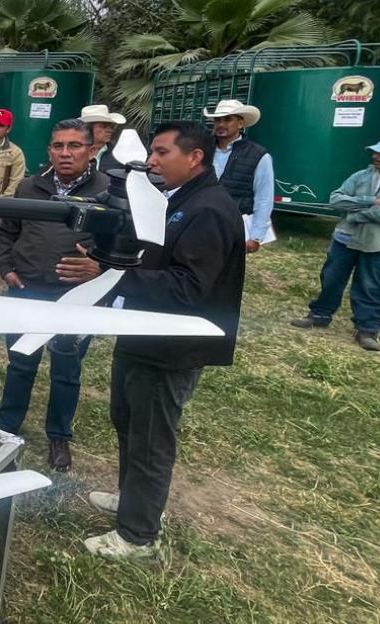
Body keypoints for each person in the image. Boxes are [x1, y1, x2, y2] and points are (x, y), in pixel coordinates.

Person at [84, 120, 245, 560]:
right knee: (128, 421)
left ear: (195, 157)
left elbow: (188, 288)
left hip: (170, 348)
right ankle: (132, 499)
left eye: (161, 152)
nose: (151, 162)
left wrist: (115, 275)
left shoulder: (209, 210)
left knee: (151, 440)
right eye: (151, 152)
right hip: (144, 333)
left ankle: (138, 535)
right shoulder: (179, 199)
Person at [0, 119, 108, 471]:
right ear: (49, 151)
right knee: (20, 362)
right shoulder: (29, 187)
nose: (65, 153)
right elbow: (6, 232)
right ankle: (6, 427)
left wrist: (99, 266)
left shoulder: (107, 190)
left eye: (74, 146)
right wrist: (6, 267)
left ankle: (59, 436)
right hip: (27, 289)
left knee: (66, 369)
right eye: (58, 146)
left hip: (76, 296)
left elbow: (123, 244)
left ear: (91, 150)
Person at [290, 134, 380, 351]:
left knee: (371, 286)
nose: (375, 156)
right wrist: (371, 201)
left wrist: (355, 214)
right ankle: (320, 315)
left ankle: (367, 330)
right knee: (331, 278)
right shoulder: (361, 176)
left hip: (378, 244)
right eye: (375, 151)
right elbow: (336, 199)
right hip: (344, 239)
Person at [204, 99, 274, 253]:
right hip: (200, 222)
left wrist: (256, 236)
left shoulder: (258, 155)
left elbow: (264, 197)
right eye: (217, 120)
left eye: (227, 119)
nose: (221, 124)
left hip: (234, 225)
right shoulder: (203, 150)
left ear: (240, 124)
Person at [79, 104, 127, 173]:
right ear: (88, 129)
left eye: (110, 127)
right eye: (103, 126)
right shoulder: (75, 152)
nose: (110, 130)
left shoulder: (118, 155)